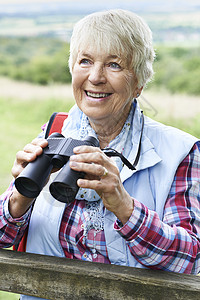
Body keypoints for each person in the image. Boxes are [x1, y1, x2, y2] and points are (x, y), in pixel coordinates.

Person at [0, 9, 200, 299]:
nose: (95, 77)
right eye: (85, 61)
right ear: (73, 70)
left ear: (139, 82)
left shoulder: (181, 152)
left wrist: (123, 205)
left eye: (114, 65)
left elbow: (190, 259)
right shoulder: (54, 133)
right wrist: (21, 196)